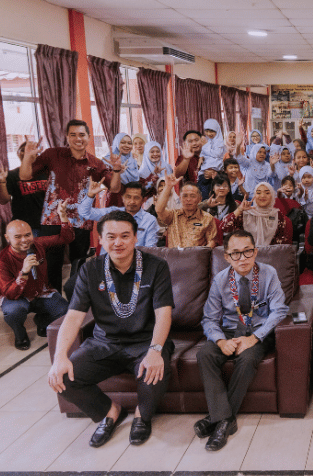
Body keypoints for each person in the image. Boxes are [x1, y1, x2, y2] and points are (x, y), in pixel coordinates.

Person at [47, 211, 175, 448]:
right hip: (104, 343)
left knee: (155, 374)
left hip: (145, 343)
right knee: (62, 377)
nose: (118, 242)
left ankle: (141, 416)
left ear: (136, 238)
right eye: (111, 237)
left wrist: (156, 350)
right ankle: (110, 411)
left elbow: (163, 314)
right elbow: (74, 317)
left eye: (125, 236)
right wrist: (59, 356)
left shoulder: (156, 266)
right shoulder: (90, 270)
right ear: (101, 240)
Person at [195, 230, 288, 451]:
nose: (242, 259)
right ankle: (225, 419)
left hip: (258, 330)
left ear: (255, 252)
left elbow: (279, 311)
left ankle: (217, 420)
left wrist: (254, 338)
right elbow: (209, 318)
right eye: (235, 254)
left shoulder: (269, 274)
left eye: (247, 252)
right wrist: (220, 342)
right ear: (226, 257)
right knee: (204, 354)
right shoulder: (220, 280)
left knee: (247, 359)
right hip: (228, 330)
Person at [19, 120, 122, 292]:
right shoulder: (53, 154)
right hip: (53, 219)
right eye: (73, 135)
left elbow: (115, 187)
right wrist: (28, 157)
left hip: (81, 220)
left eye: (82, 134)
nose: (77, 139)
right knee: (51, 263)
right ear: (67, 137)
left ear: (88, 137)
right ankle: (56, 303)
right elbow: (25, 176)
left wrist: (117, 170)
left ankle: (77, 299)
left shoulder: (95, 163)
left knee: (79, 262)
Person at [0, 200, 73, 350]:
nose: (24, 240)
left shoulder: (38, 244)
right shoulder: (0, 261)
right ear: (7, 238)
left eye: (27, 235)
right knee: (13, 312)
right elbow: (10, 293)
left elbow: (66, 239)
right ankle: (20, 335)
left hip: (40, 292)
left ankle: (42, 322)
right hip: (17, 298)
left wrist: (63, 217)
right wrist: (24, 272)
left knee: (65, 310)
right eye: (17, 237)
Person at [79, 180, 159, 248]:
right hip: (110, 260)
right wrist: (90, 195)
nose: (132, 201)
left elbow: (150, 248)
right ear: (123, 198)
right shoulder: (112, 213)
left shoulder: (149, 220)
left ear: (143, 200)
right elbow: (85, 213)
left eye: (136, 198)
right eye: (128, 197)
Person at [0, 141, 48, 238]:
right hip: (25, 227)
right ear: (18, 154)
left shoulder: (47, 173)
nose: (25, 153)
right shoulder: (12, 175)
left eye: (29, 150)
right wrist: (2, 182)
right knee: (30, 253)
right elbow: (3, 200)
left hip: (48, 224)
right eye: (22, 151)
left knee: (51, 252)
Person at [155, 174, 218, 248]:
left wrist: (199, 256)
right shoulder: (173, 215)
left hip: (197, 257)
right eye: (185, 196)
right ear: (180, 198)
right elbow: (159, 210)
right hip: (175, 257)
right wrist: (168, 187)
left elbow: (212, 243)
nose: (188, 199)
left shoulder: (207, 218)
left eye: (192, 196)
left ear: (200, 199)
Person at [221, 182, 292, 246]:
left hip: (270, 257)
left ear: (272, 196)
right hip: (245, 256)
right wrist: (239, 210)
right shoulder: (245, 214)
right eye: (258, 193)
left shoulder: (278, 216)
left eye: (267, 193)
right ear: (254, 196)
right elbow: (223, 227)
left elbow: (282, 245)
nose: (262, 196)